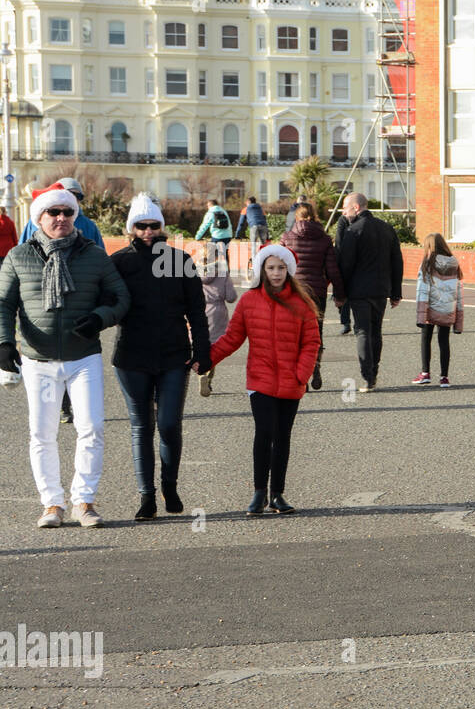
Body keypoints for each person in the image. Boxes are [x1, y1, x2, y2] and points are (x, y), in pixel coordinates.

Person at [0, 186, 130, 528]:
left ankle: (83, 501)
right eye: (53, 213)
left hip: (83, 357)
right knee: (41, 433)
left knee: (92, 428)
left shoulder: (94, 255)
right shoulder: (18, 256)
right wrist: (4, 343)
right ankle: (51, 504)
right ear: (39, 218)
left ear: (75, 216)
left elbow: (120, 297)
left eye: (67, 213)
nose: (61, 218)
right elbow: (3, 304)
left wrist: (100, 318)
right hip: (38, 360)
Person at [110, 194, 210, 520]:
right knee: (142, 426)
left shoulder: (180, 261)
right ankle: (146, 496)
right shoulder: (119, 262)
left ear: (162, 227)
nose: (149, 231)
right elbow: (104, 304)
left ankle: (169, 486)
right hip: (131, 356)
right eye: (141, 226)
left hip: (173, 354)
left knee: (168, 424)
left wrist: (203, 351)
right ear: (131, 228)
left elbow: (197, 311)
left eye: (154, 225)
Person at [205, 245, 320, 516]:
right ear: (261, 270)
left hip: (292, 381)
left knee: (282, 437)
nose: (276, 273)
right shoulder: (249, 301)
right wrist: (207, 358)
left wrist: (301, 375)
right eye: (271, 268)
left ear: (288, 270)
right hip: (260, 380)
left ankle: (277, 494)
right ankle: (258, 493)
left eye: (281, 268)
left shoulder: (302, 303)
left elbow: (311, 342)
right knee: (264, 433)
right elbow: (232, 338)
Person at [20, 178, 105, 424]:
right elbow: (23, 254)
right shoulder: (36, 223)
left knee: (76, 352)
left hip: (79, 297)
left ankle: (70, 405)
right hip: (45, 297)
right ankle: (61, 405)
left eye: (75, 198)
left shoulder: (88, 225)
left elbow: (100, 258)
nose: (68, 205)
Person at [335, 192, 403, 393]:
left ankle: (368, 377)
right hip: (381, 290)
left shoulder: (353, 231)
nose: (343, 212)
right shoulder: (386, 228)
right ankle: (374, 371)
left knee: (363, 331)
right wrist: (396, 292)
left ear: (356, 208)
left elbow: (345, 265)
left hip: (359, 291)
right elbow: (397, 262)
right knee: (376, 331)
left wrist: (341, 293)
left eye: (346, 207)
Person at [281, 201, 345, 391]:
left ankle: (301, 377)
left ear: (297, 217)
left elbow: (279, 264)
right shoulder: (324, 239)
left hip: (293, 292)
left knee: (295, 334)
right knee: (315, 333)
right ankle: (315, 369)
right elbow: (332, 270)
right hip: (317, 292)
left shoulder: (287, 237)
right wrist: (340, 295)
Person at [412, 233, 463, 387]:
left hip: (431, 307)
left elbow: (423, 289)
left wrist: (420, 314)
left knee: (426, 338)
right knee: (444, 341)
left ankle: (425, 373)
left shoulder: (428, 263)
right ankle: (444, 377)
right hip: (448, 308)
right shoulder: (454, 263)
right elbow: (458, 290)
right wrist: (458, 319)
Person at [198, 235, 237, 399]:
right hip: (218, 314)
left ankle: (201, 373)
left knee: (201, 348)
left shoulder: (193, 272)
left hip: (199, 313)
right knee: (215, 351)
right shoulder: (222, 273)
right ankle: (208, 375)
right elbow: (231, 297)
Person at [194, 198, 234, 277]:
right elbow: (229, 224)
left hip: (217, 236)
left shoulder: (211, 212)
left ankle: (210, 272)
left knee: (210, 252)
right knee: (225, 252)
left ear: (209, 205)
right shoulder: (223, 211)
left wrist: (197, 236)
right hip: (228, 236)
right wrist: (230, 234)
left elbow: (204, 226)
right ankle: (227, 271)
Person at [235, 195, 269, 269]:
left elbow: (241, 223)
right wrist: (268, 235)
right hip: (263, 226)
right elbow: (265, 220)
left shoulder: (246, 209)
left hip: (254, 226)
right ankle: (265, 262)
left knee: (253, 245)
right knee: (263, 245)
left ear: (248, 202)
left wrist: (237, 234)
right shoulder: (260, 209)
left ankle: (254, 265)